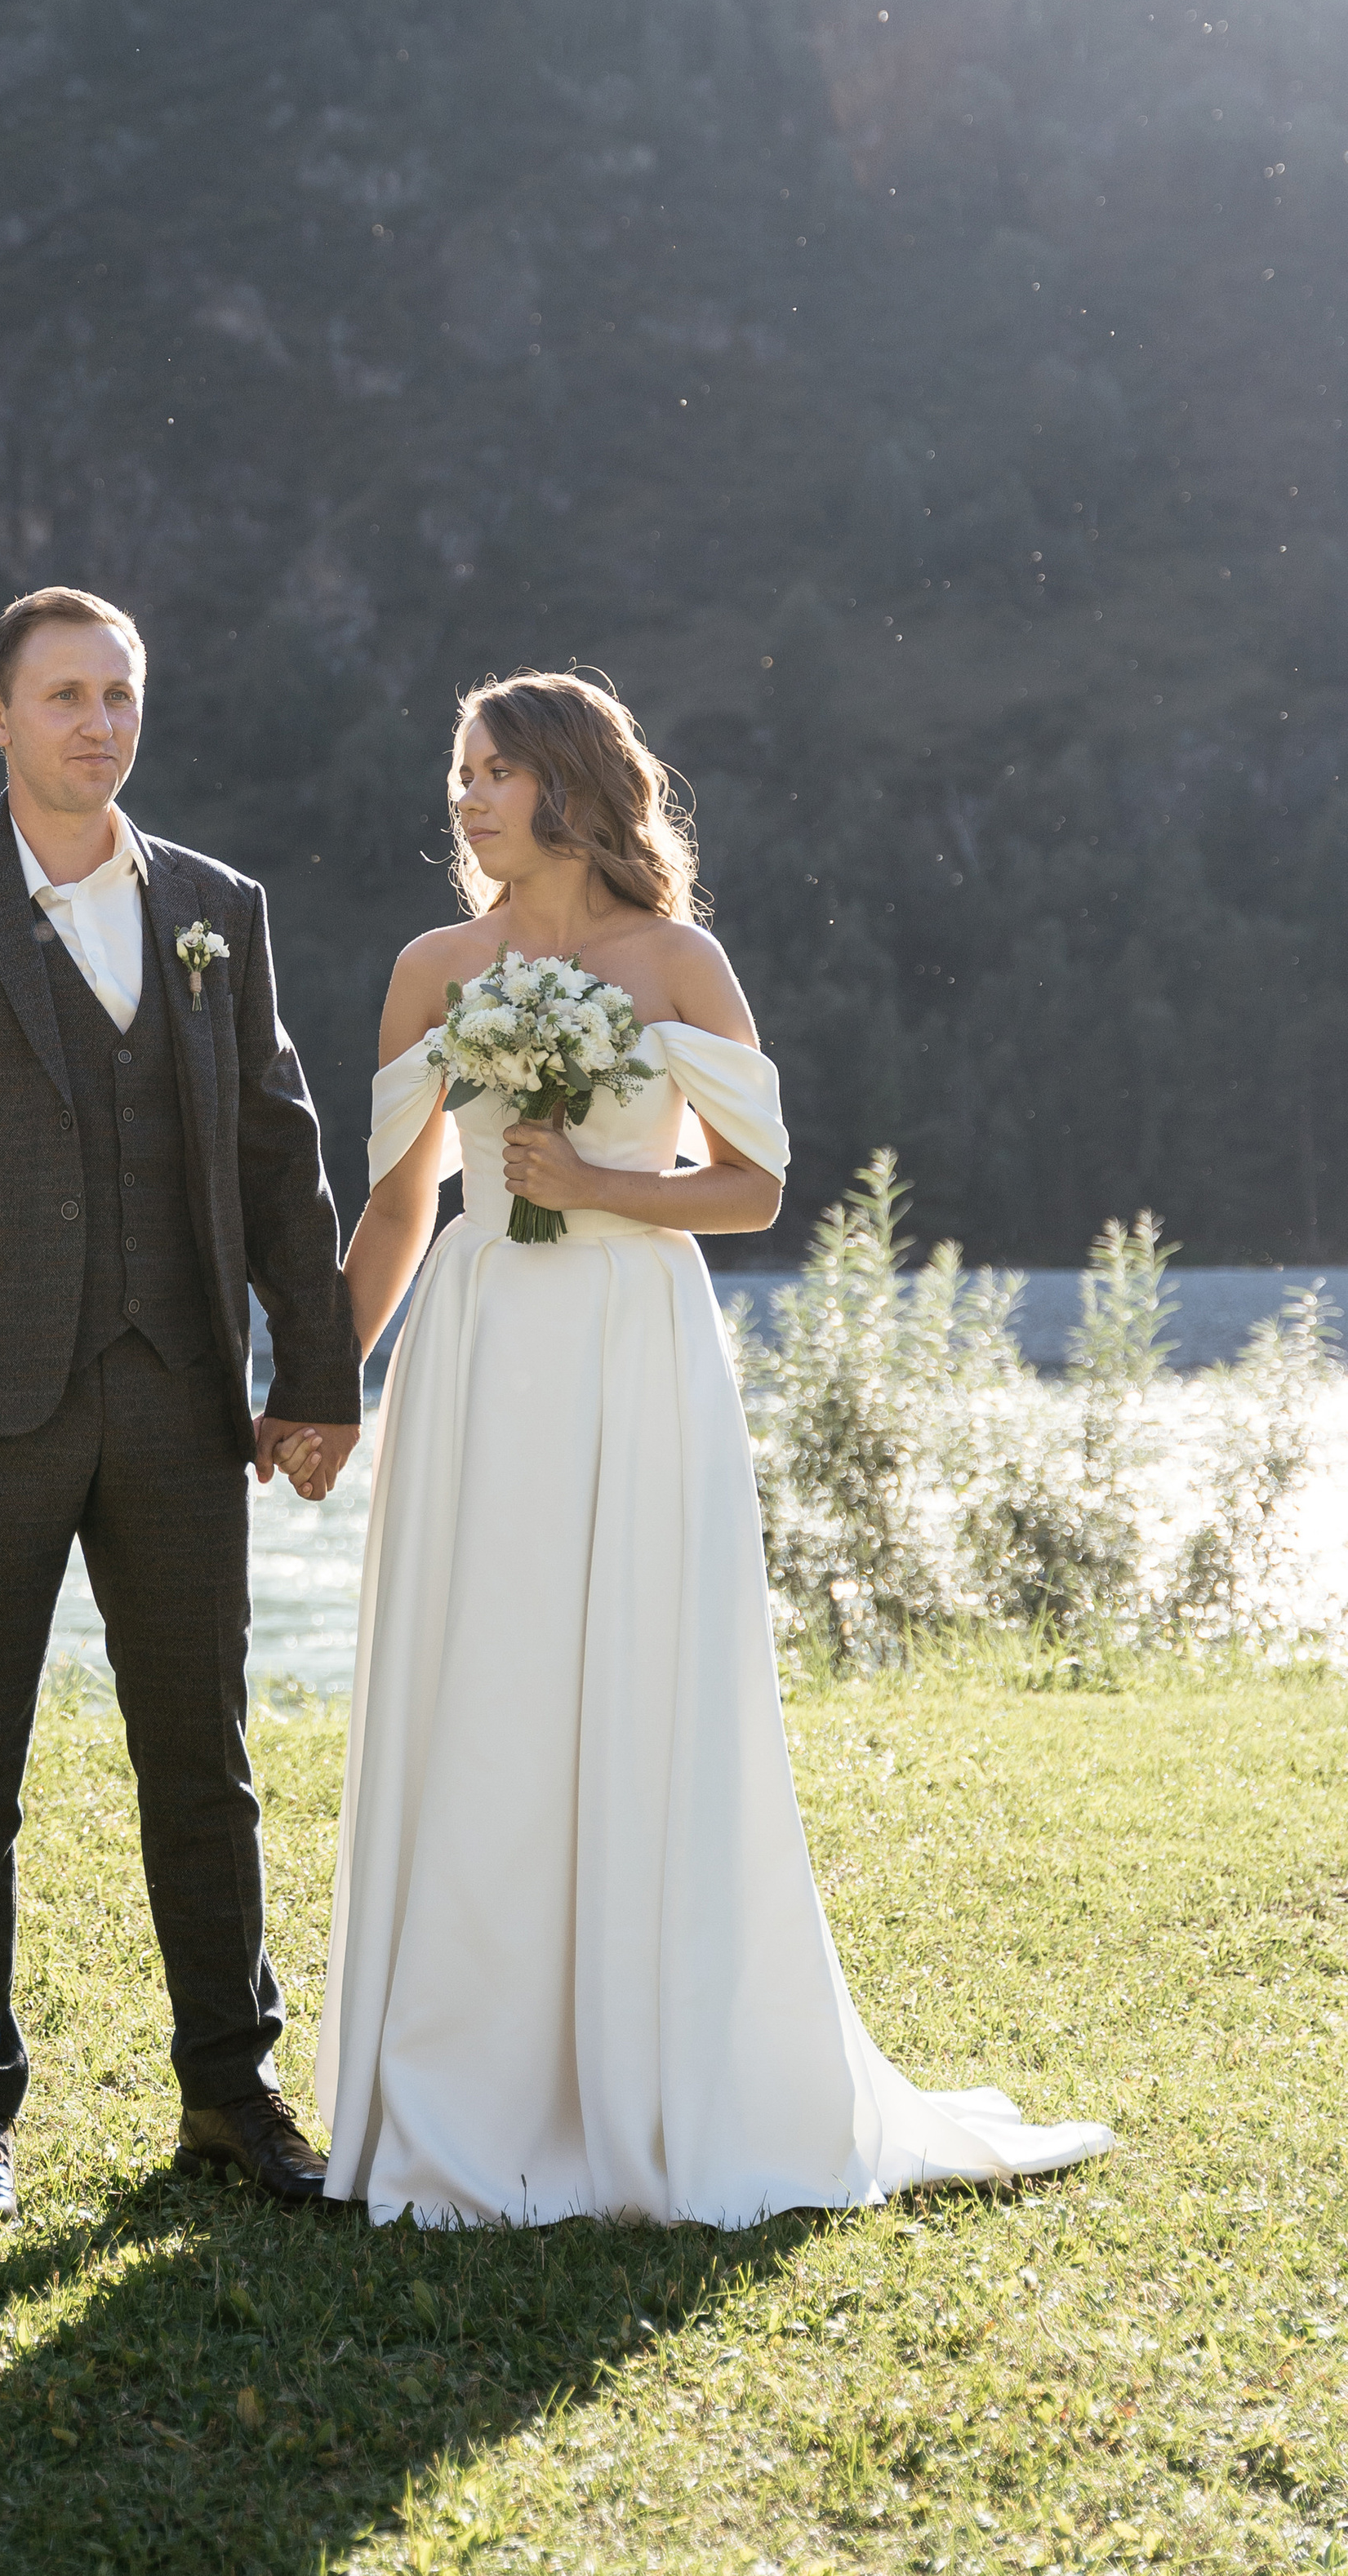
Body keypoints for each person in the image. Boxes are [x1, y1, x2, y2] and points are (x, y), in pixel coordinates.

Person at [298, 670, 1113, 2226]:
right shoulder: (431, 968)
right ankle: (463, 2089)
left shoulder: (677, 960)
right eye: (458, 774)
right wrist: (331, 1381)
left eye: (493, 772)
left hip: (629, 1343)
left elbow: (752, 1188)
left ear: (569, 783)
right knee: (483, 1676)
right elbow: (403, 1205)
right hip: (477, 1345)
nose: (465, 800)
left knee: (635, 1674)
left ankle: (656, 2072)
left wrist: (602, 1189)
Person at [0, 584, 360, 2224]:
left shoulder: (213, 905)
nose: (94, 722)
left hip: (182, 1399)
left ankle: (227, 2093)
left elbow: (279, 1145)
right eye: (61, 694)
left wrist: (315, 1372)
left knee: (201, 1756)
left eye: (116, 692)